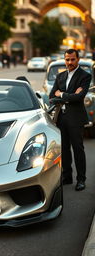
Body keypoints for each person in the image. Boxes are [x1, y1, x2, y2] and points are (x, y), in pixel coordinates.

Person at [49, 48, 92, 191]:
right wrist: (69, 95)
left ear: (78, 59)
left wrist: (61, 94)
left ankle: (81, 180)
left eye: (73, 59)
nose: (70, 62)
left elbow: (79, 97)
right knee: (64, 150)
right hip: (61, 118)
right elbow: (51, 97)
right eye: (67, 59)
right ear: (64, 59)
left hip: (76, 118)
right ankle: (67, 177)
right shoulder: (60, 76)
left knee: (78, 149)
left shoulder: (84, 76)